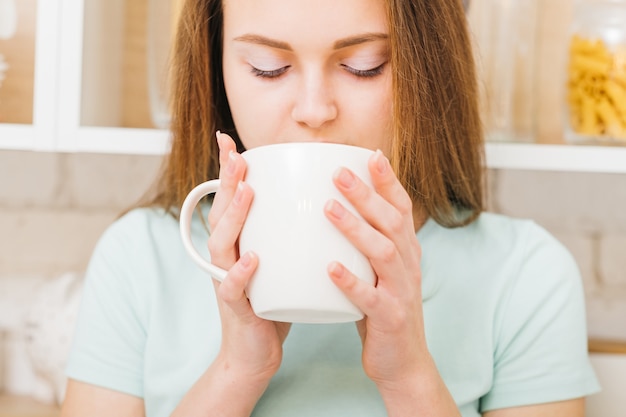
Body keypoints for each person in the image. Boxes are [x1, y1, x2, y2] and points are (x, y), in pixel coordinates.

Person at [60, 0, 600, 416]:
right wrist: (239, 370)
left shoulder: (525, 275)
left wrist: (409, 374)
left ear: (428, 69)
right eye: (268, 68)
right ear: (215, 65)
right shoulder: (137, 258)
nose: (314, 110)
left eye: (365, 66)